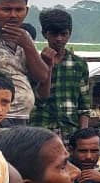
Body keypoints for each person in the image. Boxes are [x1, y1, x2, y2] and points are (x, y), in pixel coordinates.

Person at [30, 8, 91, 136]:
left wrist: (83, 136)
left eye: (63, 34)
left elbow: (84, 107)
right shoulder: (32, 62)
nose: (59, 39)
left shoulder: (79, 64)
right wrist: (47, 65)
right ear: (45, 34)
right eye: (54, 34)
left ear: (69, 33)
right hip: (39, 130)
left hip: (69, 131)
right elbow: (39, 98)